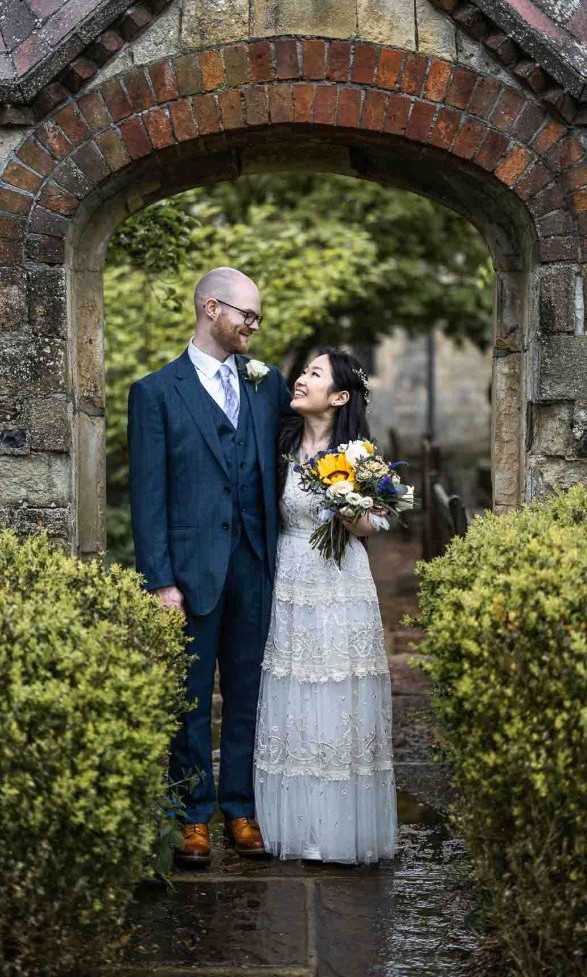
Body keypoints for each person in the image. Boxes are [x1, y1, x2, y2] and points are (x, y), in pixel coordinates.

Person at [127, 266, 291, 866]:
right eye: (247, 314)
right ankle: (192, 817)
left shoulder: (267, 385)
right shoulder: (155, 392)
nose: (254, 325)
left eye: (257, 317)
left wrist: (355, 476)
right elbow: (148, 495)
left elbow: (307, 443)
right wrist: (160, 581)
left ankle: (240, 808)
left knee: (248, 692)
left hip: (254, 563)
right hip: (190, 571)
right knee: (190, 698)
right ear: (211, 308)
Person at [254, 348, 398, 863]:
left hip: (341, 584)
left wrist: (351, 508)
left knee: (338, 694)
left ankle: (338, 831)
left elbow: (376, 524)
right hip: (290, 577)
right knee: (294, 694)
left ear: (339, 397)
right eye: (304, 370)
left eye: (315, 373)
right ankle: (295, 824)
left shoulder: (360, 455)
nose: (301, 378)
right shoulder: (279, 445)